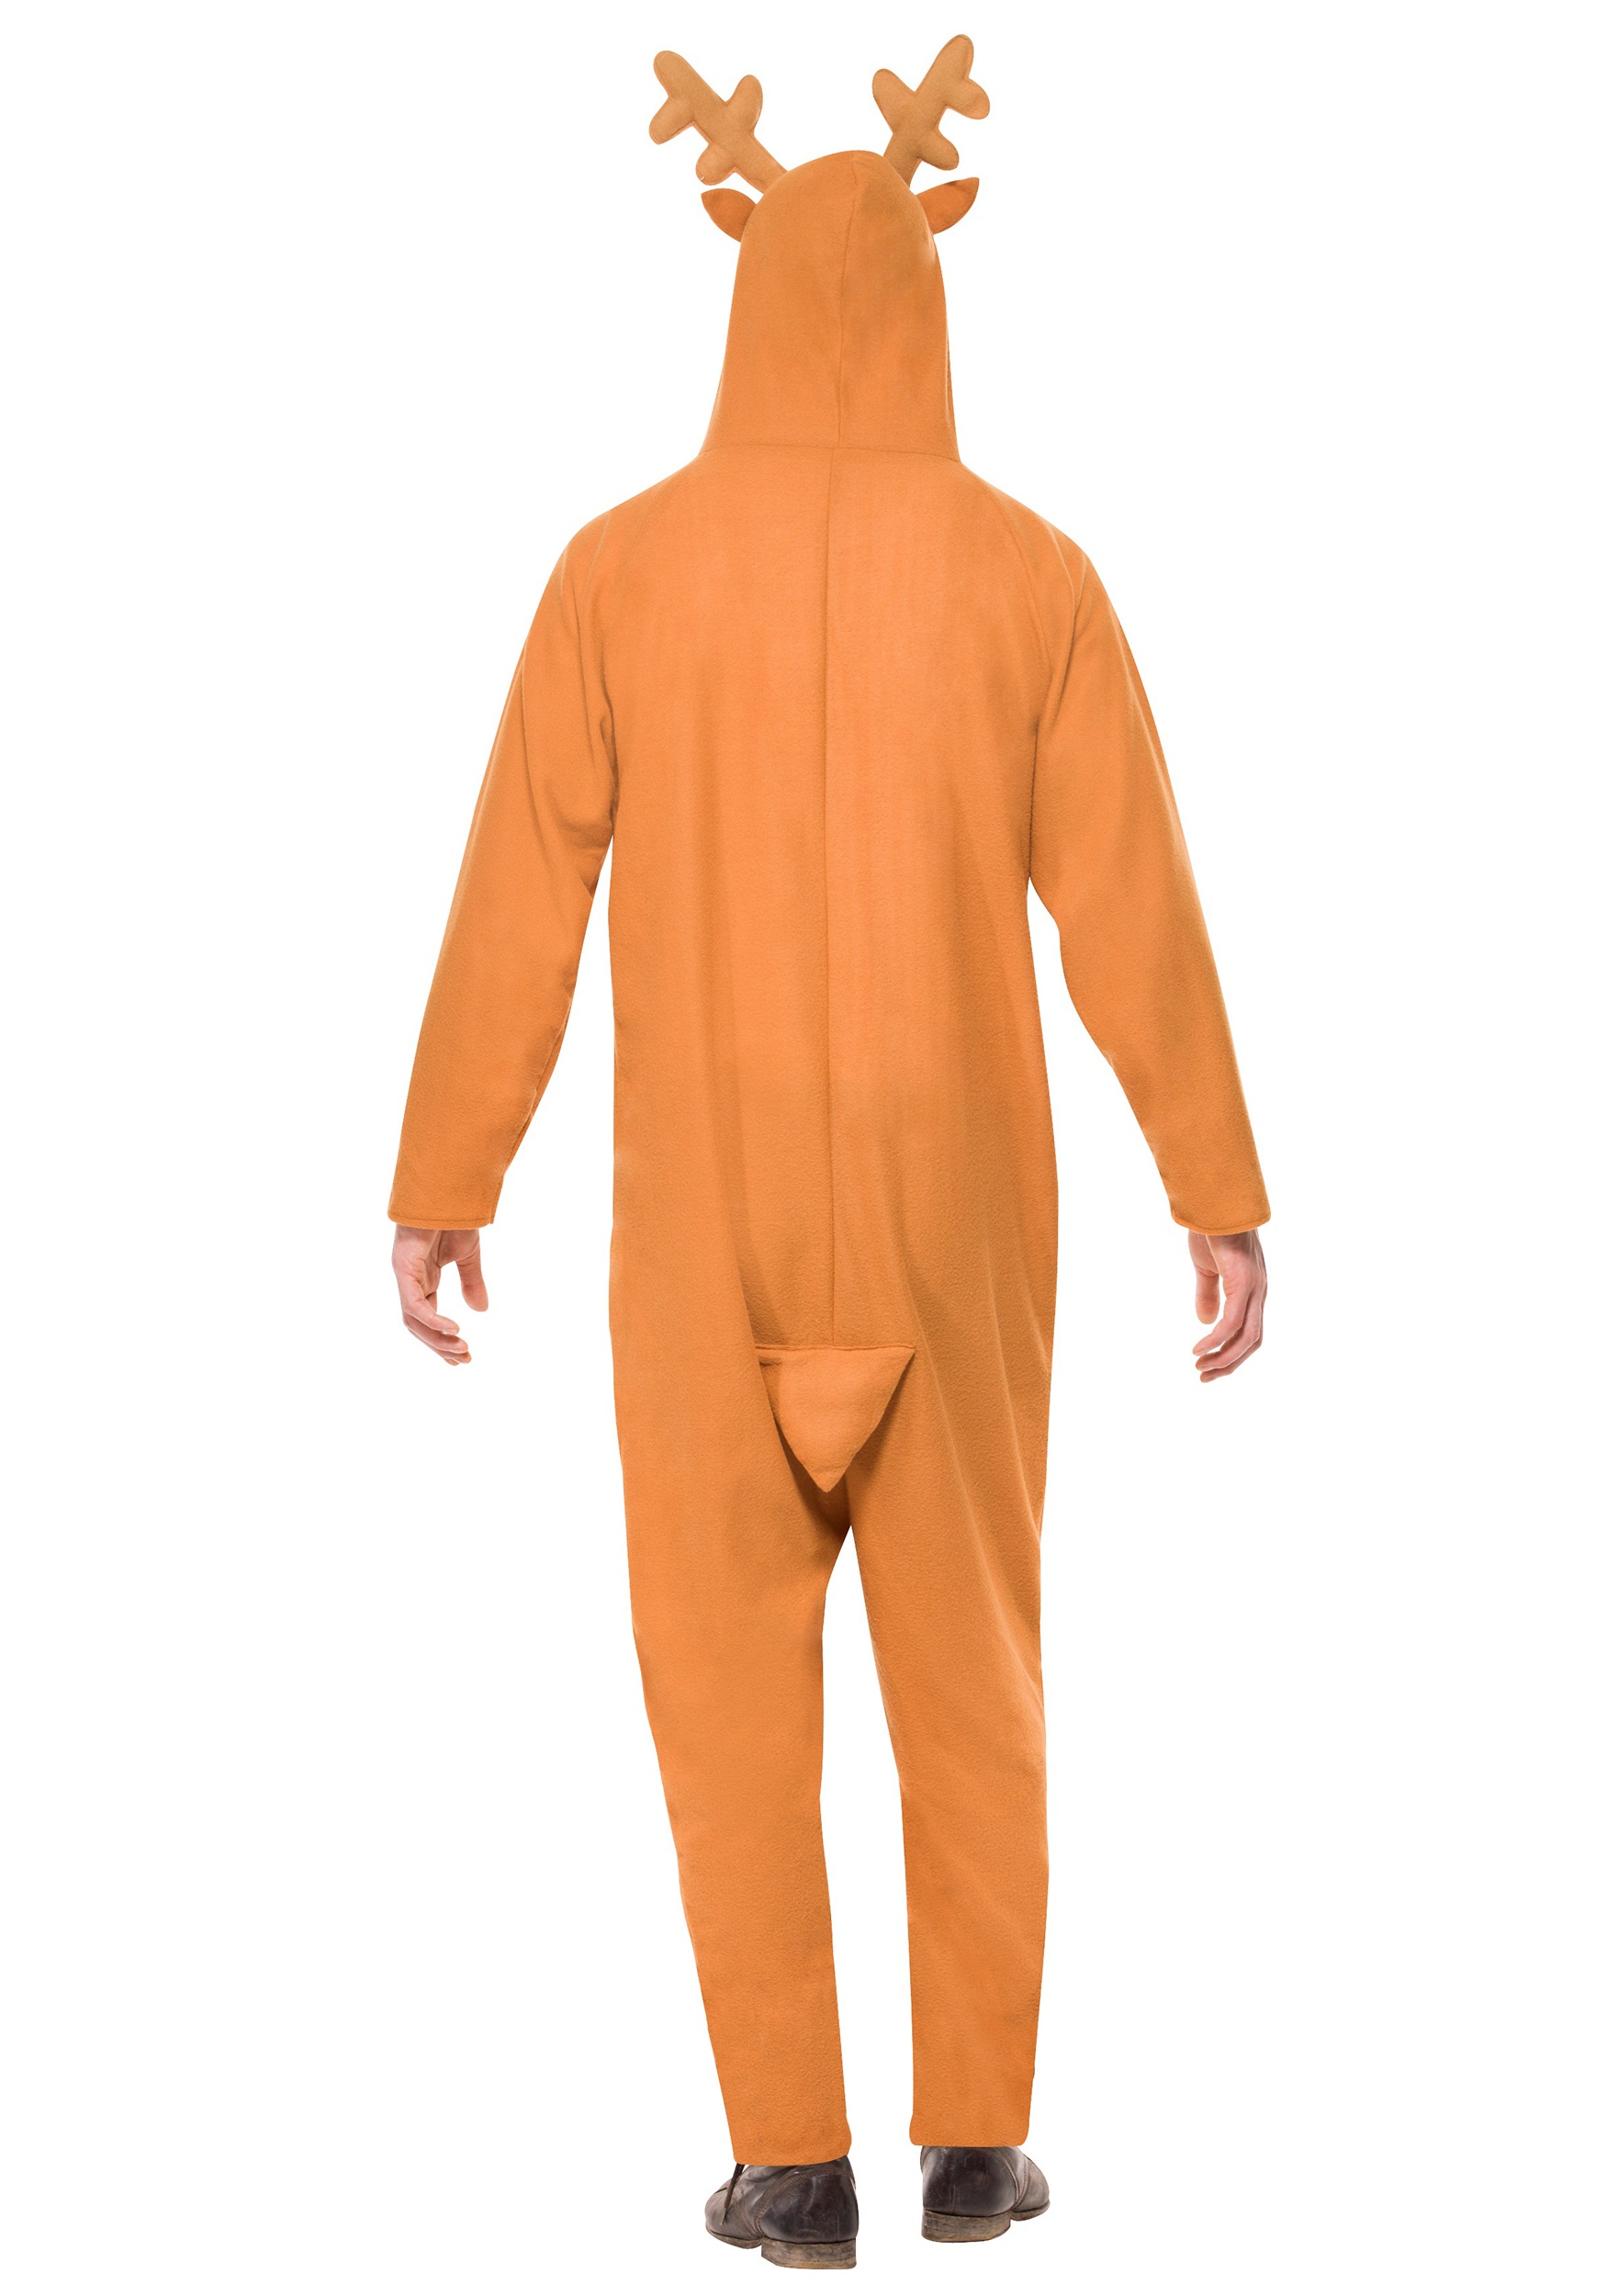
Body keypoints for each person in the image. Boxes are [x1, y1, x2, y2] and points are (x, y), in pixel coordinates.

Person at [389, 40, 1268, 2269]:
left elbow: (519, 890)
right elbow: (1132, 905)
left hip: (708, 1220)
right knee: (973, 1666)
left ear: (747, 296)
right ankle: (974, 2141)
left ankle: (787, 2163)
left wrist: (443, 1173)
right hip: (954, 1210)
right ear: (925, 300)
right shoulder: (1029, 577)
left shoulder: (617, 571)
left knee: (721, 1674)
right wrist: (1214, 1183)